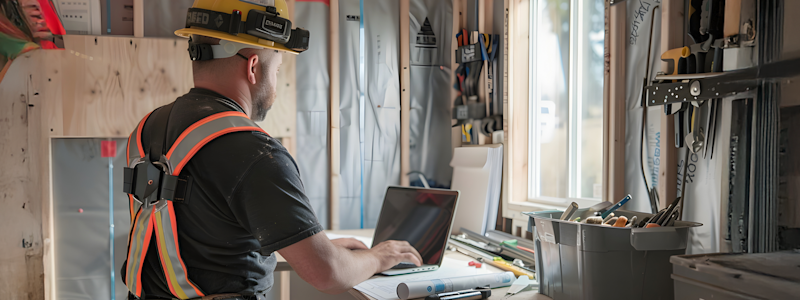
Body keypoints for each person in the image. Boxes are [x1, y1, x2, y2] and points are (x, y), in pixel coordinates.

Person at [120, 1, 421, 299]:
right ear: (253, 67)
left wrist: (307, 245)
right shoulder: (253, 150)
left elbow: (205, 236)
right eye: (277, 67)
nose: (275, 82)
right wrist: (379, 257)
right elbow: (328, 274)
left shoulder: (147, 129)